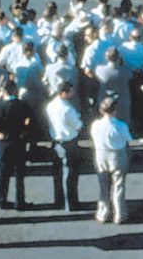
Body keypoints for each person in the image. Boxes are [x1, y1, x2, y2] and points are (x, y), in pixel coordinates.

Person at [0, 80, 33, 209]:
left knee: (3, 173)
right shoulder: (22, 105)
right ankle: (20, 201)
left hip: (3, 142)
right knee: (19, 173)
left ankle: (2, 200)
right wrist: (24, 132)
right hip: (18, 141)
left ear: (3, 91)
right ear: (15, 90)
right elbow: (31, 120)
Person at [90, 96, 133, 224]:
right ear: (115, 111)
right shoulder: (120, 125)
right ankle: (119, 213)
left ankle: (103, 213)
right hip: (117, 154)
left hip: (101, 155)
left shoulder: (95, 125)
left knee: (103, 185)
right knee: (118, 185)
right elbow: (128, 139)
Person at [47, 81, 84, 211]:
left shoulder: (50, 105)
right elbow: (77, 125)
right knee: (70, 174)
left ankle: (59, 201)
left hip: (55, 141)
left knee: (57, 174)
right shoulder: (68, 109)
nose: (73, 93)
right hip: (69, 142)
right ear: (64, 93)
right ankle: (71, 203)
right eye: (70, 91)